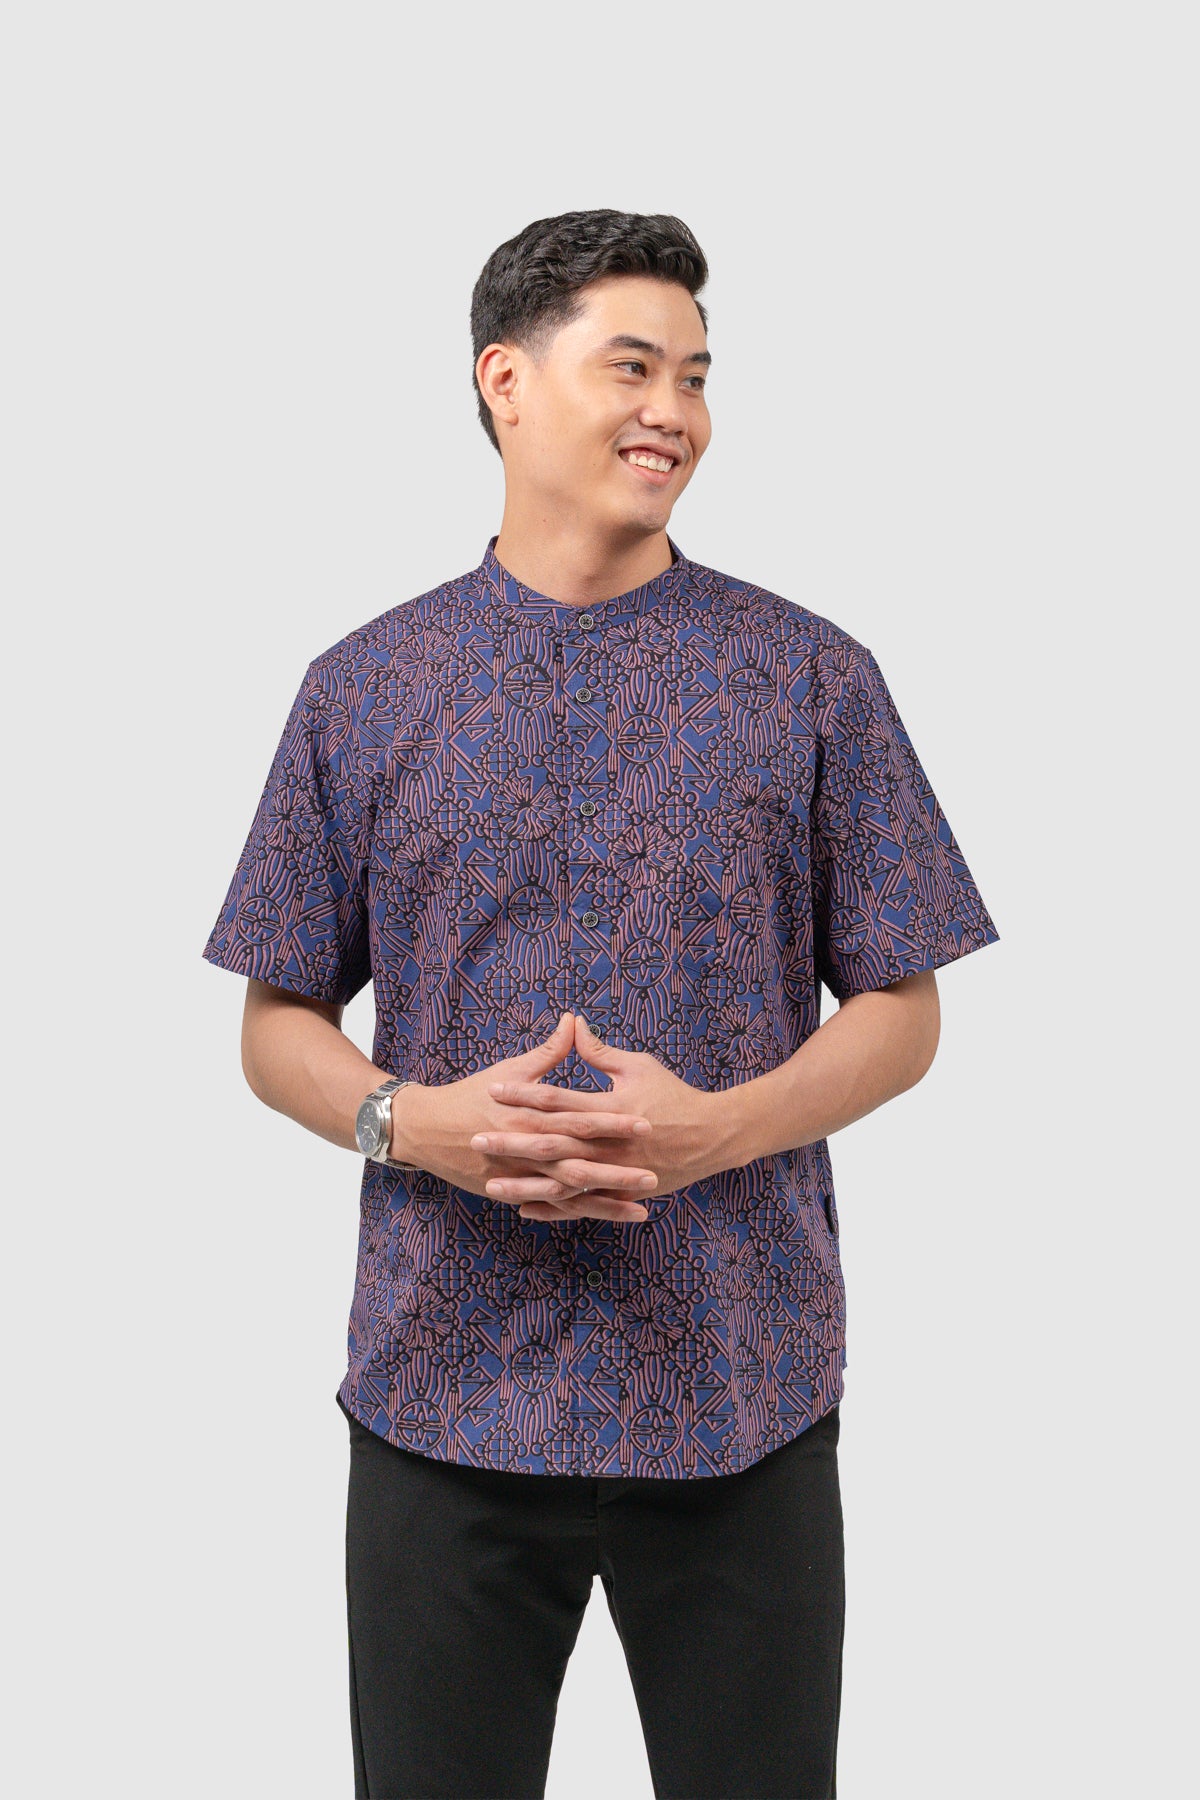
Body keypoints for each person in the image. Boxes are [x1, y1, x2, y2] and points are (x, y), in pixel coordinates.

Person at [201, 208, 1000, 1800]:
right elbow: (275, 1022)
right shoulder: (366, 686)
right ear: (504, 382)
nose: (675, 411)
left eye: (696, 376)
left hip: (742, 1389)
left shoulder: (811, 676)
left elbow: (904, 1005)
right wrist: (410, 1121)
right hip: (442, 1393)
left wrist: (721, 1131)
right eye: (633, 366)